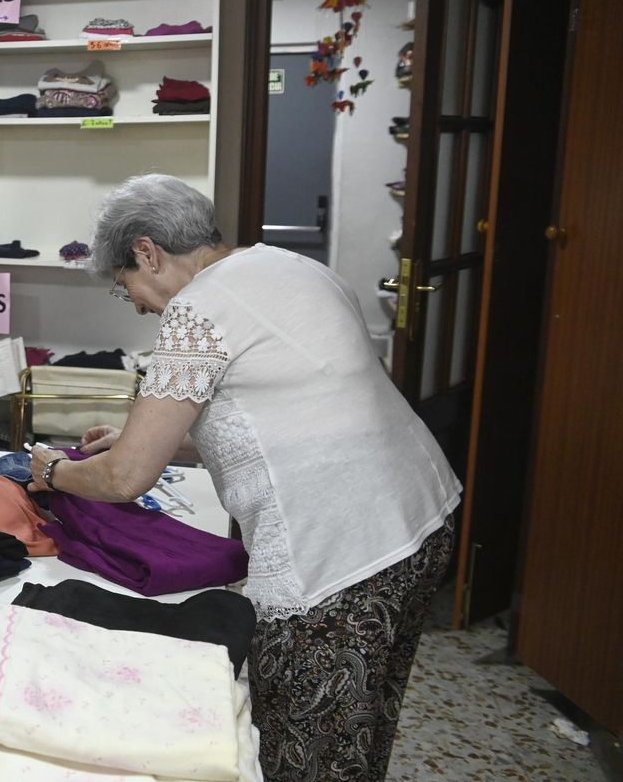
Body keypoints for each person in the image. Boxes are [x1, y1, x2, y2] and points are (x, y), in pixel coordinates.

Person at [28, 174, 460, 782]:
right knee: (363, 726)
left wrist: (56, 471)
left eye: (126, 288)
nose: (142, 306)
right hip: (418, 519)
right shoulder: (292, 266)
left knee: (304, 752)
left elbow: (126, 479)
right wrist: (151, 441)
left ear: (147, 251)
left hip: (336, 560)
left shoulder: (197, 312)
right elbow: (287, 407)